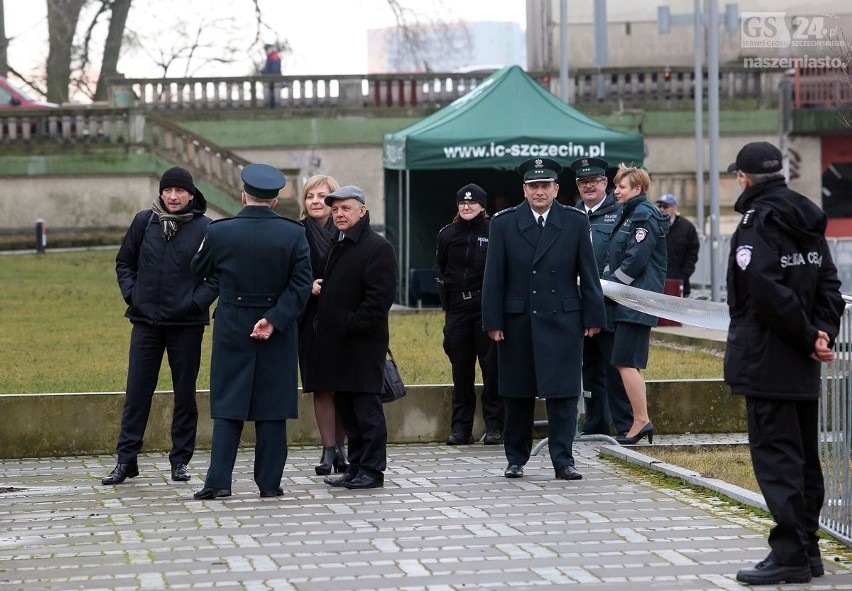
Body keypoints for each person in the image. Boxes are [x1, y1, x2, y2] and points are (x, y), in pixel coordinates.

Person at [725, 141, 844, 586]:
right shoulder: (808, 218)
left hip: (767, 358)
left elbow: (764, 290)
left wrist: (805, 334)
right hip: (802, 360)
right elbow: (829, 282)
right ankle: (809, 550)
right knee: (803, 458)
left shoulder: (757, 223)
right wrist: (821, 332)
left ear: (744, 178)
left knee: (777, 459)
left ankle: (791, 553)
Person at [190, 163, 312, 500]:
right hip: (278, 328)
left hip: (233, 324)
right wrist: (274, 319)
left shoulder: (220, 231)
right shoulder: (294, 233)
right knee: (272, 406)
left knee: (229, 403)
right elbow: (301, 287)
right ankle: (269, 484)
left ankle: (218, 481)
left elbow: (197, 268)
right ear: (274, 201)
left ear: (243, 196)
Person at [482, 157, 606, 480]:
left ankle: (563, 459)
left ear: (556, 189)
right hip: (518, 320)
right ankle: (516, 458)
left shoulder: (575, 222)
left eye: (545, 186)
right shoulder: (503, 223)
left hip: (562, 320)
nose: (539, 192)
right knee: (517, 393)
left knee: (563, 394)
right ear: (524, 190)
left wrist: (593, 314)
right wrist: (493, 321)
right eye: (533, 186)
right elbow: (493, 277)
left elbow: (588, 273)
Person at [102, 167, 219, 486]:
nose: (173, 196)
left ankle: (180, 460)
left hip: (186, 324)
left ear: (191, 195)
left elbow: (218, 274)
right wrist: (132, 294)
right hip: (145, 322)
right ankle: (126, 460)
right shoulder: (144, 221)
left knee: (185, 394)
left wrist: (195, 301)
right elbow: (124, 262)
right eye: (168, 191)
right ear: (161, 193)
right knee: (137, 392)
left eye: (180, 191)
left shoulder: (206, 228)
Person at [312, 186, 397, 490]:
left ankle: (373, 471)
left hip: (362, 345)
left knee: (366, 411)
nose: (339, 215)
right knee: (347, 410)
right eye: (335, 210)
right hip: (337, 345)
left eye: (346, 209)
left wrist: (350, 324)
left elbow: (378, 300)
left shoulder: (378, 247)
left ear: (362, 210)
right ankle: (355, 467)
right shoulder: (341, 244)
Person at [602, 164, 669, 446]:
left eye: (622, 186)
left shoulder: (643, 215)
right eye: (616, 186)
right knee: (626, 362)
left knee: (625, 362)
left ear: (638, 189)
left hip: (636, 300)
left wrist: (609, 286)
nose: (616, 190)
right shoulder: (629, 213)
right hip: (627, 300)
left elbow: (635, 260)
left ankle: (640, 421)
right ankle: (639, 420)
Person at [569, 157, 632, 438]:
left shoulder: (620, 213)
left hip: (610, 304)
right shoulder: (570, 216)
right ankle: (595, 424)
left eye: (594, 181)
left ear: (605, 183)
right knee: (588, 368)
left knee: (614, 367)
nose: (589, 186)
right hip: (577, 304)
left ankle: (627, 425)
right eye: (583, 182)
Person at [436, 183, 503, 446]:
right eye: (462, 203)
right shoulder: (446, 234)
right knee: (461, 371)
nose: (467, 207)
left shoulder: (494, 231)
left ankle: (496, 426)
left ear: (483, 206)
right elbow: (442, 268)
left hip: (485, 308)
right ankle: (461, 429)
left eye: (472, 203)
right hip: (457, 310)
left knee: (492, 371)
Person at [298, 174, 348, 475]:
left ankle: (342, 448)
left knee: (344, 385)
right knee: (321, 385)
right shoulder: (296, 232)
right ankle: (328, 448)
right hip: (311, 319)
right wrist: (308, 287)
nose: (315, 201)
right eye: (310, 196)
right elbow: (287, 273)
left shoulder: (347, 230)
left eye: (321, 196)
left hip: (344, 318)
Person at [655, 194, 700, 297]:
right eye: (660, 206)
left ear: (674, 208)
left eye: (665, 206)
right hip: (657, 280)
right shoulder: (655, 225)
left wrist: (684, 275)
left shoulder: (687, 227)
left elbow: (692, 254)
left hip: (678, 281)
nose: (662, 209)